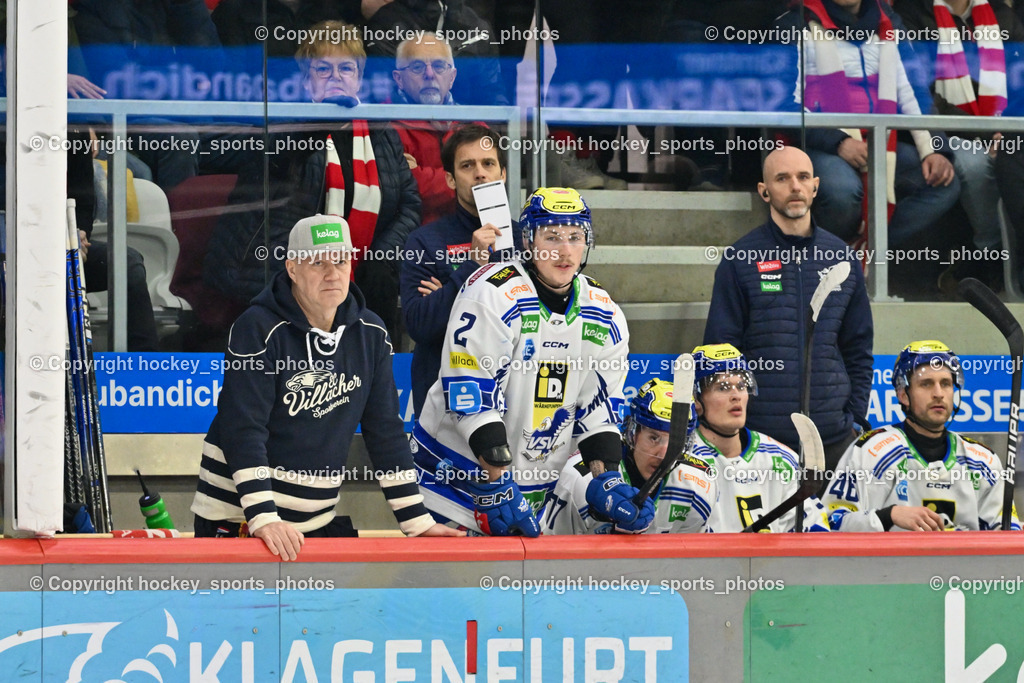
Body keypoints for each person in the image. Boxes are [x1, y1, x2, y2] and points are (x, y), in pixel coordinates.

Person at [191, 215, 461, 561]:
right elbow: (242, 429)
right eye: (317, 262)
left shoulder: (371, 334)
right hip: (240, 517)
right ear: (292, 268)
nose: (333, 273)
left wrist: (417, 520)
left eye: (341, 260)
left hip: (313, 523)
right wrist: (263, 517)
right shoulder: (256, 328)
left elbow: (386, 433)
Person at [411, 187, 642, 536]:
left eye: (575, 237)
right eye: (552, 236)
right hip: (451, 485)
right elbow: (468, 393)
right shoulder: (492, 291)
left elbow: (598, 408)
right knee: (452, 588)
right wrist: (498, 482)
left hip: (530, 489)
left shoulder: (604, 311)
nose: (564, 250)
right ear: (529, 241)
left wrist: (607, 481)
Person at [204, 21, 421, 343]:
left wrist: (379, 255)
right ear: (306, 80)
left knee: (379, 283)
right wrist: (317, 125)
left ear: (359, 78)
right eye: (323, 69)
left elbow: (409, 203)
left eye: (346, 68)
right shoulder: (282, 123)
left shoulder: (382, 133)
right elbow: (271, 165)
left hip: (357, 270)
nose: (336, 77)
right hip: (282, 268)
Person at [703, 146, 874, 471]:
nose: (795, 186)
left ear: (815, 186)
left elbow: (859, 349)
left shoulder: (842, 259)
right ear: (764, 191)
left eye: (802, 177)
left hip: (834, 441)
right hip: (760, 442)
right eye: (782, 178)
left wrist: (853, 419)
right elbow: (720, 354)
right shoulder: (740, 260)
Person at [773, 0, 960, 253]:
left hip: (882, 143)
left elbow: (914, 92)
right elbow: (783, 105)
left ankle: (862, 249)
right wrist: (839, 142)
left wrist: (934, 149)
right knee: (845, 191)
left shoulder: (890, 23)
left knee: (944, 182)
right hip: (820, 145)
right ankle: (821, 257)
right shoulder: (793, 24)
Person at [893, 0, 1024, 293]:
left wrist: (1007, 128)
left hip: (1000, 129)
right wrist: (983, 133)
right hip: (938, 129)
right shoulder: (911, 14)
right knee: (976, 165)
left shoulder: (1004, 16)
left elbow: (1021, 81)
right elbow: (920, 94)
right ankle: (988, 257)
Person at [822, 340, 1021, 531]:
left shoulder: (982, 461)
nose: (938, 393)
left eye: (946, 383)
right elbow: (833, 522)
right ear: (902, 394)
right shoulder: (871, 452)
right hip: (890, 565)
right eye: (926, 384)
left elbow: (1005, 532)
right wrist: (888, 516)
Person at [400, 124, 520, 417]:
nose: (480, 172)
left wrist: (448, 296)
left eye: (488, 163)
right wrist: (472, 265)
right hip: (445, 404)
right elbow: (421, 324)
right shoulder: (424, 240)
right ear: (451, 180)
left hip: (515, 397)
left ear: (502, 175)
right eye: (467, 165)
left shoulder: (528, 240)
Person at [688, 344, 830, 533]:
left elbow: (816, 531)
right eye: (722, 387)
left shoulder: (781, 459)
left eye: (741, 386)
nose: (736, 395)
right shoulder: (683, 462)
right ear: (696, 400)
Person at [541, 378, 708, 534]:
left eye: (675, 442)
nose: (664, 454)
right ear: (632, 434)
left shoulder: (698, 484)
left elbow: (693, 561)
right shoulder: (577, 479)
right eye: (654, 438)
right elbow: (549, 556)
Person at [392, 32, 460, 225]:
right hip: (408, 244)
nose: (429, 74)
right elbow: (401, 190)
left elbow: (487, 186)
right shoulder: (384, 128)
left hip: (470, 241)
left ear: (452, 76)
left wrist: (422, 175)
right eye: (417, 67)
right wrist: (463, 179)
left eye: (438, 66)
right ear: (399, 79)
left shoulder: (475, 125)